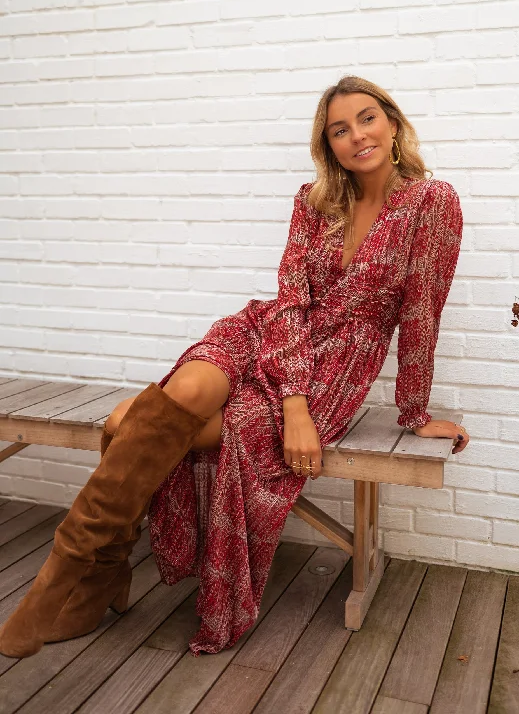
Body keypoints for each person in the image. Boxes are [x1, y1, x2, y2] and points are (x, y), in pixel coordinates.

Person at [0, 75, 469, 660]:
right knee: (189, 387)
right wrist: (290, 399)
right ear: (329, 146)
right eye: (339, 129)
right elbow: (291, 299)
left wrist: (414, 411)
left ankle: (90, 581)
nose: (357, 136)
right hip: (270, 330)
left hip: (338, 365)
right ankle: (62, 584)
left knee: (130, 422)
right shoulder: (312, 199)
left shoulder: (434, 202)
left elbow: (422, 310)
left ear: (393, 124)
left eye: (367, 119)